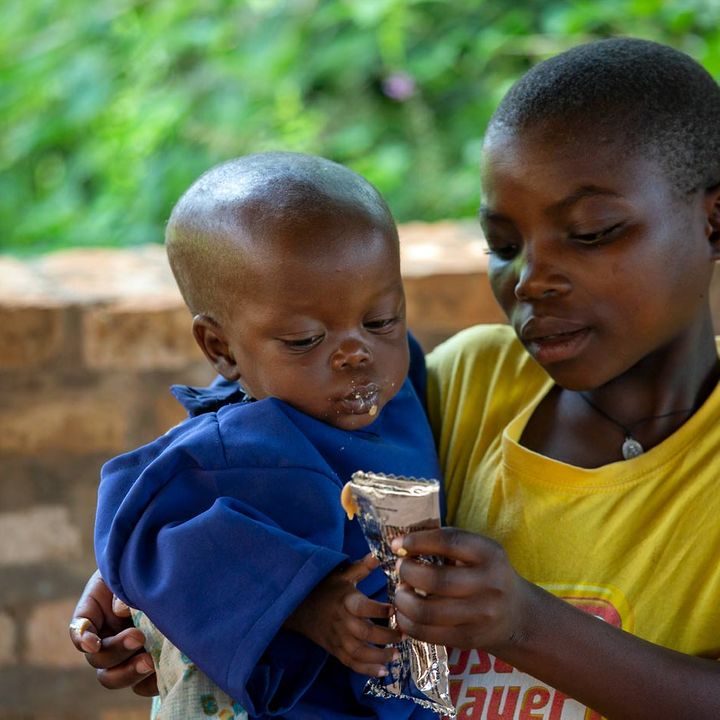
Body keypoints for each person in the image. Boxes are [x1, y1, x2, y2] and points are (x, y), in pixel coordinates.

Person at [71, 37, 720, 718]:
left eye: (589, 232)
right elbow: (287, 445)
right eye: (503, 245)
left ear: (712, 220)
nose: (530, 279)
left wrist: (530, 625)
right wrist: (161, 582)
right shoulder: (472, 383)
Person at [87, 151, 443, 719]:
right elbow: (140, 525)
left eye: (381, 321)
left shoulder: (401, 386)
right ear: (223, 349)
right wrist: (304, 604)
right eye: (305, 339)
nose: (356, 355)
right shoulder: (238, 447)